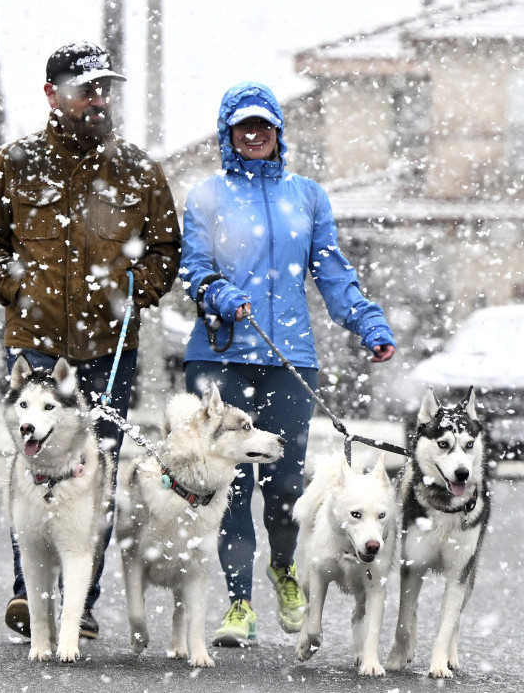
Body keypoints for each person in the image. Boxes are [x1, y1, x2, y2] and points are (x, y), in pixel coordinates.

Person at [0, 41, 181, 640]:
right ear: (53, 93)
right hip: (35, 346)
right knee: (36, 471)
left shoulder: (137, 169)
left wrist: (141, 291)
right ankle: (29, 596)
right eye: (86, 88)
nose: (98, 98)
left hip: (111, 349)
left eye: (104, 87)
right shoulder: (17, 162)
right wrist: (16, 290)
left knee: (96, 474)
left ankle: (79, 602)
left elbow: (165, 248)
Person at [180, 82, 396, 648]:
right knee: (224, 486)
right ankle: (238, 604)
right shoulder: (206, 196)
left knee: (281, 487)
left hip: (289, 359)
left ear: (279, 133)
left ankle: (283, 571)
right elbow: (193, 271)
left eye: (265, 126)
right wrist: (217, 293)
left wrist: (368, 323)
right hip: (221, 356)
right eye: (243, 127)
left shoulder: (308, 197)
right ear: (228, 134)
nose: (255, 135)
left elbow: (332, 272)